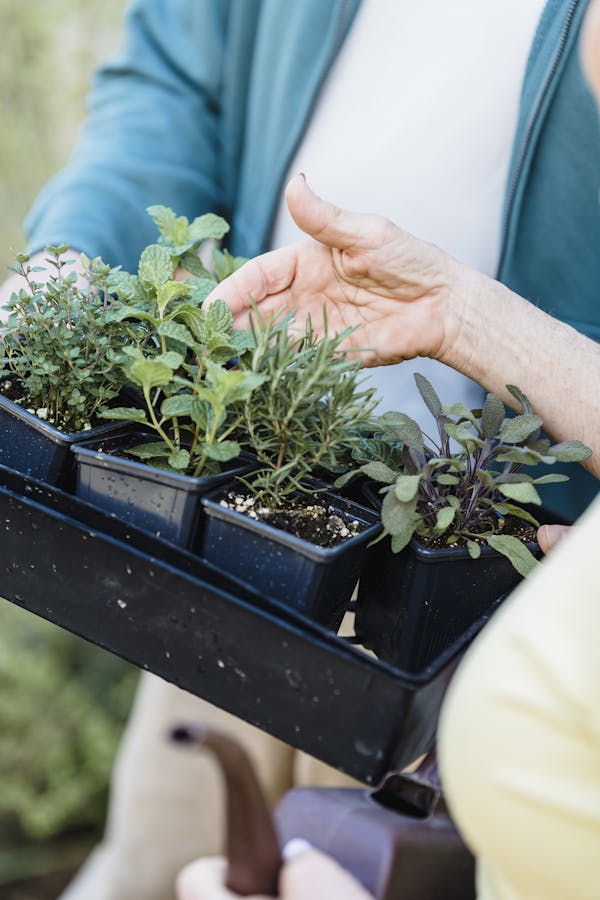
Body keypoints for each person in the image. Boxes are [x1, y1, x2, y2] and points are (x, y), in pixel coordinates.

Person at [2, 2, 599, 898]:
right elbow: (174, 77)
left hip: (491, 624)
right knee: (159, 856)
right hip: (231, 527)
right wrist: (69, 265)